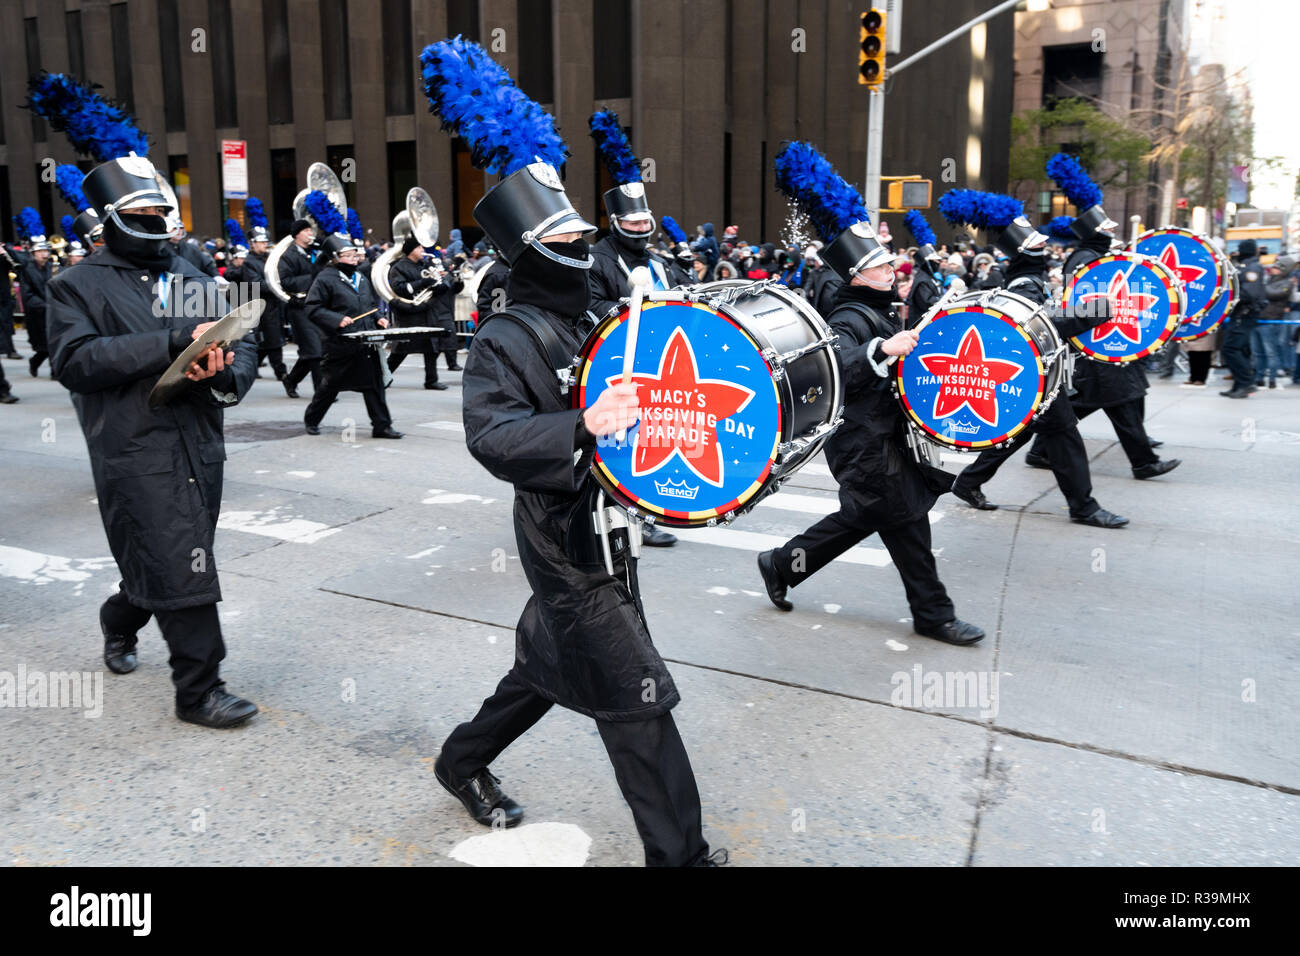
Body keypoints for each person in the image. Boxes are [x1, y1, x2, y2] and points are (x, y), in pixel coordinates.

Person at [421, 36, 719, 866]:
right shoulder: (504, 338)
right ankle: (680, 857)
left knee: (545, 671)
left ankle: (460, 760)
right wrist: (582, 425)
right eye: (568, 237)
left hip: (608, 527)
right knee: (638, 699)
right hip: (562, 541)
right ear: (527, 252)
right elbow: (492, 438)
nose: (586, 247)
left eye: (587, 233)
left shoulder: (593, 316)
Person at [46, 154, 259, 728]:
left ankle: (120, 617)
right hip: (134, 448)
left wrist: (216, 371)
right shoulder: (75, 284)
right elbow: (75, 361)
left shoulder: (192, 273)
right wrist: (166, 342)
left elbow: (238, 348)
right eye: (142, 212)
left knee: (170, 559)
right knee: (179, 562)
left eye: (162, 210)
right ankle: (198, 690)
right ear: (113, 217)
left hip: (198, 443)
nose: (156, 219)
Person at [757, 141, 984, 646]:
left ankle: (782, 564)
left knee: (866, 517)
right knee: (905, 521)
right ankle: (934, 615)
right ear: (857, 275)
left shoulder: (877, 307)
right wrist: (883, 348)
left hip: (884, 438)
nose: (893, 272)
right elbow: (838, 366)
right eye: (882, 269)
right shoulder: (847, 316)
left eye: (890, 267)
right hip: (862, 444)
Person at [938, 188, 1128, 528]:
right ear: (1024, 253)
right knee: (1065, 434)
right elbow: (1043, 323)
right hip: (1036, 373)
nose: (1045, 250)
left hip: (1036, 371)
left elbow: (1046, 313)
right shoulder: (1024, 283)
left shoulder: (1027, 279)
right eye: (1038, 247)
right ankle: (1083, 507)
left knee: (1023, 432)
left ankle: (967, 482)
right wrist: (1099, 311)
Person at [1025, 205, 1179, 481]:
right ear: (1095, 232)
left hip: (1106, 339)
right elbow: (1075, 300)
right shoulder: (1084, 258)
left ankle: (1040, 451)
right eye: (1106, 228)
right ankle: (1143, 462)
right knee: (1118, 398)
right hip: (1097, 340)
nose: (1111, 231)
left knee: (1087, 402)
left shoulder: (1096, 256)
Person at [586, 109, 680, 547]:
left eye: (646, 223)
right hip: (617, 364)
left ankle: (647, 507)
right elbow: (591, 308)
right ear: (616, 223)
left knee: (654, 441)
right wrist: (633, 308)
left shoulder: (659, 261)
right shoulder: (600, 259)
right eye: (633, 224)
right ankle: (629, 517)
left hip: (660, 363)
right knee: (622, 443)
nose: (641, 230)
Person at [302, 233, 402, 439]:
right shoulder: (325, 278)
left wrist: (379, 318)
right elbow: (312, 308)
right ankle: (311, 419)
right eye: (347, 255)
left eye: (354, 255)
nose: (353, 259)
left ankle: (381, 425)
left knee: (374, 384)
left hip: (365, 341)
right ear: (335, 257)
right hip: (340, 343)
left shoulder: (361, 278)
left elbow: (370, 306)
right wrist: (336, 319)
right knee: (330, 385)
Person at [386, 235, 455, 390]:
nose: (423, 251)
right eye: (419, 248)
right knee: (400, 351)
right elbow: (400, 288)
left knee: (431, 349)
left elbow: (436, 287)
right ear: (411, 250)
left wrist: (442, 283)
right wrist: (423, 282)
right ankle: (383, 377)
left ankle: (431, 380)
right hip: (409, 314)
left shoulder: (424, 264)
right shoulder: (399, 267)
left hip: (427, 311)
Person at [279, 219, 324, 398]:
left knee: (312, 352)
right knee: (314, 350)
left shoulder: (315, 252)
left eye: (310, 230)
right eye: (306, 230)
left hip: (318, 306)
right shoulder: (288, 256)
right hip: (299, 308)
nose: (310, 233)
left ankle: (290, 380)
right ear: (297, 234)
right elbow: (286, 282)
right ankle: (322, 391)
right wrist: (312, 276)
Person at [1220, 239, 1266, 399]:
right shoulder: (1246, 266)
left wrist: (1229, 296)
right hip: (1240, 314)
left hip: (1244, 314)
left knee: (1230, 349)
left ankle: (1246, 383)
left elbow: (1249, 293)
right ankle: (1239, 385)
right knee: (1240, 350)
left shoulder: (1253, 268)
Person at [20, 237, 52, 377]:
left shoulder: (53, 267)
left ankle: (55, 371)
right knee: (44, 347)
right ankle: (35, 361)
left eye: (45, 250)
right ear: (34, 253)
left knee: (54, 343)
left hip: (53, 311)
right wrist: (43, 305)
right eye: (40, 251)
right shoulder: (27, 270)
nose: (43, 254)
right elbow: (27, 294)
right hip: (37, 314)